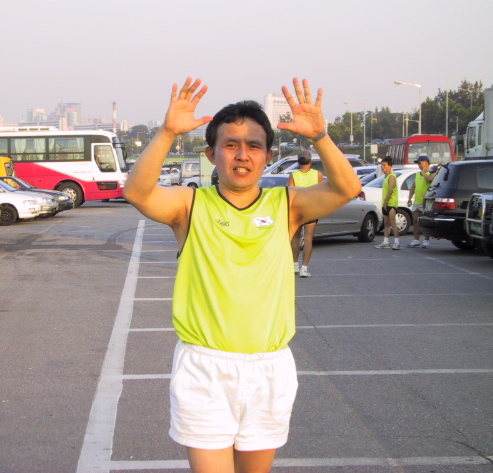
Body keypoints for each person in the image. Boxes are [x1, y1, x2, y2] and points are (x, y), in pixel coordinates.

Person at [123, 77, 361, 473]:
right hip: (205, 368)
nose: (242, 154)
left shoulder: (287, 205)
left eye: (254, 145)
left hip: (269, 368)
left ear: (268, 156)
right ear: (211, 154)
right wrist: (167, 132)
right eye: (230, 144)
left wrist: (320, 136)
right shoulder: (189, 205)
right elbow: (137, 192)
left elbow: (347, 188)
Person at [288, 151, 323, 277]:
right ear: (311, 162)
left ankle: (295, 265)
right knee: (308, 239)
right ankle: (304, 268)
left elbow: (291, 193)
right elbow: (320, 191)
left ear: (298, 162)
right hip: (311, 209)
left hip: (297, 209)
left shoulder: (293, 175)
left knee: (295, 238)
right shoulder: (317, 174)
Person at [407, 155, 439, 248]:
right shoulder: (417, 174)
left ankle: (426, 241)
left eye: (419, 163)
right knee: (415, 221)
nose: (418, 165)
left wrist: (424, 173)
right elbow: (413, 186)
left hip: (426, 202)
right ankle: (416, 240)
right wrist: (410, 198)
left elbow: (430, 179)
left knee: (425, 222)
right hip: (417, 201)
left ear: (425, 162)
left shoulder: (432, 173)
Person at [375, 156, 400, 250]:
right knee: (386, 223)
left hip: (391, 203)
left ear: (390, 166)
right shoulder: (385, 177)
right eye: (382, 165)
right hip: (385, 204)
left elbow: (390, 190)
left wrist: (386, 202)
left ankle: (397, 242)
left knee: (393, 223)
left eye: (384, 165)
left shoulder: (392, 176)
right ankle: (386, 242)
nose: (383, 167)